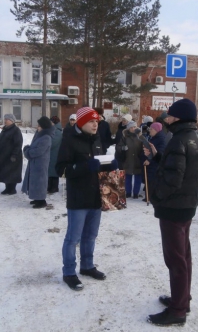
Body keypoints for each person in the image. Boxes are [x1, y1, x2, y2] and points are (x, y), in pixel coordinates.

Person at [143, 98, 198, 327]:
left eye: (169, 115)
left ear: (178, 117)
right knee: (184, 256)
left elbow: (174, 179)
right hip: (187, 205)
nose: (166, 118)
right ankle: (182, 299)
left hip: (174, 208)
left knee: (176, 259)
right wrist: (159, 157)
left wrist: (156, 197)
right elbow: (188, 168)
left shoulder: (179, 139)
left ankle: (178, 310)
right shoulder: (196, 137)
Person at [56, 107, 118, 291]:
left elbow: (98, 166)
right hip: (78, 198)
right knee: (73, 238)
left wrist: (109, 166)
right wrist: (84, 166)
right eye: (91, 121)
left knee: (90, 236)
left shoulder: (97, 140)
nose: (95, 124)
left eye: (97, 121)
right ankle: (69, 272)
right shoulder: (69, 141)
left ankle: (87, 266)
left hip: (96, 197)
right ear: (82, 123)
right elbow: (61, 169)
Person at [22, 116, 54, 208]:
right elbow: (33, 147)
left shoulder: (46, 137)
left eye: (39, 126)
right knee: (34, 181)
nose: (37, 127)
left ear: (43, 127)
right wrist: (28, 149)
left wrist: (27, 151)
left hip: (40, 163)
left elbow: (38, 151)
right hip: (35, 162)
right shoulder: (40, 135)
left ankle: (41, 201)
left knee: (40, 182)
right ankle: (37, 198)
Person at [0, 114, 23, 195]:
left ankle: (12, 189)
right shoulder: (5, 129)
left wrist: (14, 154)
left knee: (12, 172)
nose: (5, 120)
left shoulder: (16, 130)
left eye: (7, 119)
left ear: (12, 121)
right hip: (4, 155)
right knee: (5, 172)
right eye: (5, 119)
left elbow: (18, 144)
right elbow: (0, 142)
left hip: (12, 156)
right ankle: (7, 188)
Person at [116, 121, 144, 199]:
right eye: (131, 127)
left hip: (137, 160)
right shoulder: (124, 137)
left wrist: (142, 156)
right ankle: (128, 192)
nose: (133, 129)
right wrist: (123, 148)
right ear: (128, 129)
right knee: (128, 177)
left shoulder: (140, 136)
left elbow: (145, 146)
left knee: (138, 177)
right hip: (128, 160)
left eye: (134, 127)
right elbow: (118, 147)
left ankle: (136, 193)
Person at [142, 122, 166, 202]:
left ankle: (150, 197)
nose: (150, 131)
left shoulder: (161, 139)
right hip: (152, 163)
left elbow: (160, 152)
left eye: (151, 129)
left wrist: (149, 158)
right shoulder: (154, 137)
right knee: (149, 180)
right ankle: (148, 196)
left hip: (155, 163)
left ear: (156, 130)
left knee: (153, 180)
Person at [47, 116, 63, 194]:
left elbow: (52, 142)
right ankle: (50, 186)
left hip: (55, 154)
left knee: (54, 171)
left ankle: (54, 187)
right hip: (51, 154)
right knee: (50, 171)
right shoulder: (53, 130)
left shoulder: (58, 132)